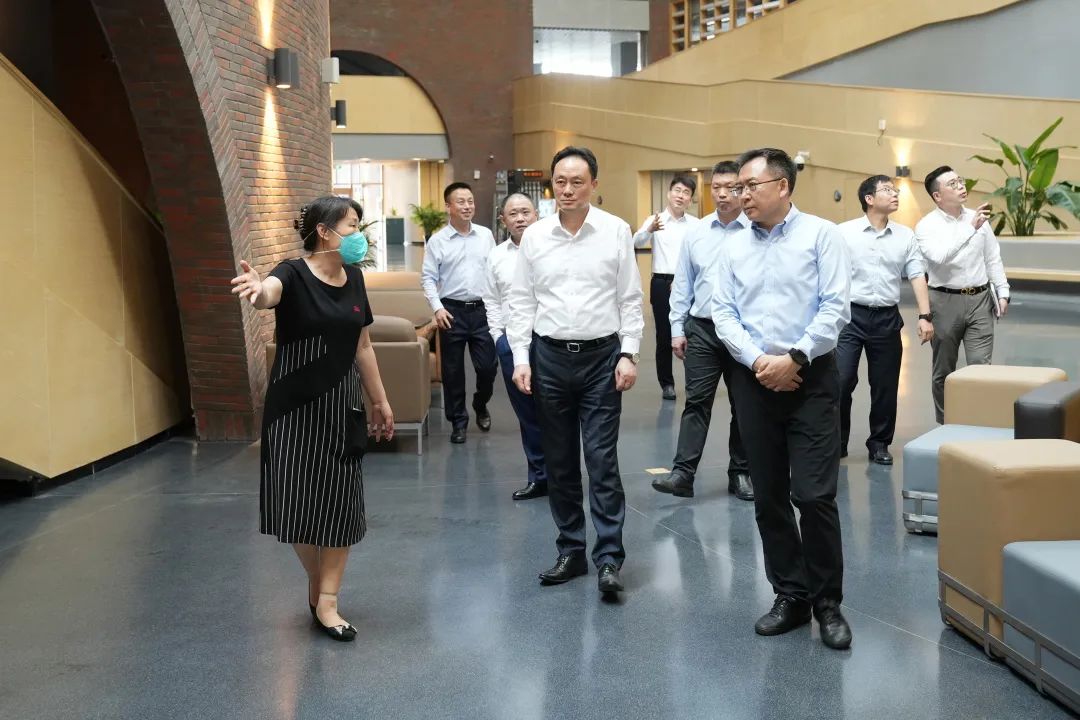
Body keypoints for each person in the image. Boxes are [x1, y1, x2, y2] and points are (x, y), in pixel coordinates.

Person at [230, 196, 395, 642]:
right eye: (352, 225)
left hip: (342, 406)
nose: (359, 235)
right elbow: (269, 294)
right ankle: (318, 582)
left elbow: (363, 346)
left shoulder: (355, 278)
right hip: (292, 410)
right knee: (296, 503)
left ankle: (328, 601)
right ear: (324, 231)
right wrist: (257, 289)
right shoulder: (292, 272)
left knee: (341, 504)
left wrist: (380, 400)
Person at [711, 148, 853, 650]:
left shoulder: (821, 235)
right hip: (754, 380)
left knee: (813, 496)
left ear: (783, 186)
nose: (742, 195)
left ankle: (828, 603)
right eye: (738, 187)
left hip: (810, 378)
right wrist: (759, 363)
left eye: (750, 186)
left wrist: (794, 358)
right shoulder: (732, 246)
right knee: (768, 495)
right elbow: (723, 313)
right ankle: (790, 595)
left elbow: (835, 306)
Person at [508, 146, 644, 596]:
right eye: (560, 182)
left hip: (602, 359)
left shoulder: (615, 231)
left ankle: (609, 558)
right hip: (548, 359)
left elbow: (629, 297)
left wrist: (629, 353)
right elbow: (521, 301)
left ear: (594, 185)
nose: (567, 190)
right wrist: (522, 358)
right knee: (560, 461)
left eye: (577, 182)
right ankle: (571, 549)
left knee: (602, 461)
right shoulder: (535, 236)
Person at [653, 161, 753, 501]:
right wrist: (676, 329)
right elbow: (683, 285)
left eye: (731, 187)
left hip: (743, 332)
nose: (722, 194)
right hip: (703, 330)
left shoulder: (756, 230)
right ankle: (683, 473)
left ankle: (741, 473)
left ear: (743, 189)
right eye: (716, 187)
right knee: (696, 402)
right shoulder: (696, 233)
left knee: (744, 405)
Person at [836, 175, 934, 465]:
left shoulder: (905, 236)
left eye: (895, 190)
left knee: (885, 385)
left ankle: (879, 443)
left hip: (887, 318)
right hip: (850, 316)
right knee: (841, 381)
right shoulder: (843, 232)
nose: (895, 194)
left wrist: (925, 315)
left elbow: (916, 274)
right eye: (887, 190)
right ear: (869, 199)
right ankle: (837, 441)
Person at [915, 166, 1010, 424]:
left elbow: (992, 258)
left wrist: (1003, 291)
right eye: (953, 183)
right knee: (944, 370)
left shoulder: (978, 219)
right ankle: (946, 423)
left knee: (981, 367)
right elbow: (939, 257)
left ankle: (977, 422)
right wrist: (970, 228)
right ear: (937, 196)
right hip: (944, 301)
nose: (961, 186)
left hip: (980, 299)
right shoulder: (926, 226)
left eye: (960, 180)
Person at [481, 193, 548, 501]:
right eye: (513, 214)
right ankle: (540, 477)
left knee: (557, 412)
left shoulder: (552, 249)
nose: (520, 218)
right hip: (511, 343)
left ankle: (564, 477)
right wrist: (498, 337)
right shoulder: (496, 256)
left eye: (525, 212)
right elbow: (491, 299)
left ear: (536, 215)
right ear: (503, 220)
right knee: (528, 414)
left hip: (549, 341)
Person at [421, 182, 498, 444]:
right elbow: (428, 278)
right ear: (448, 206)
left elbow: (495, 272)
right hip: (451, 311)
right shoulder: (438, 241)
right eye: (461, 202)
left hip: (482, 310)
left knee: (488, 367)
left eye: (470, 201)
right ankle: (458, 422)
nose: (467, 206)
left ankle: (480, 403)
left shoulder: (486, 236)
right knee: (452, 371)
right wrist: (437, 308)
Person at [634, 175, 699, 400]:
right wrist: (649, 230)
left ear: (690, 199)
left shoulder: (695, 225)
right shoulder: (655, 220)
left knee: (692, 333)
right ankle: (667, 384)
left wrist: (684, 281)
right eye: (677, 190)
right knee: (664, 335)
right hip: (661, 283)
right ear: (669, 193)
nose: (681, 196)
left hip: (687, 282)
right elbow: (635, 242)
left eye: (686, 192)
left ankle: (694, 382)